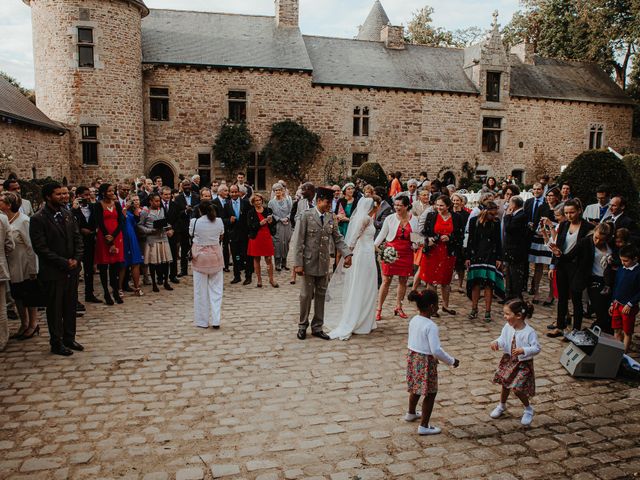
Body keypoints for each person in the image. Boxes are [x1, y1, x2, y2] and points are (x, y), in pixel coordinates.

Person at [29, 182, 83, 356]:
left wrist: (76, 258)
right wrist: (63, 262)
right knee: (55, 308)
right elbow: (41, 248)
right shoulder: (38, 218)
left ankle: (69, 337)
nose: (63, 196)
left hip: (72, 269)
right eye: (58, 194)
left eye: (64, 194)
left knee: (70, 306)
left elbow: (77, 239)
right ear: (48, 197)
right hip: (53, 271)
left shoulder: (67, 214)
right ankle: (56, 342)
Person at [293, 186, 352, 340]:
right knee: (305, 295)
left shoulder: (330, 217)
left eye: (330, 202)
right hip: (308, 262)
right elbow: (298, 241)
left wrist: (347, 253)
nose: (329, 205)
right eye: (327, 202)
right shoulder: (306, 216)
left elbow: (337, 237)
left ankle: (317, 326)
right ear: (319, 201)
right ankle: (302, 325)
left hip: (323, 263)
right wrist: (298, 264)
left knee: (321, 295)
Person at [324, 197, 380, 340]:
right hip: (363, 255)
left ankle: (367, 319)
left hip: (369, 252)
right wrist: (349, 254)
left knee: (369, 286)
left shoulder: (369, 218)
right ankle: (357, 319)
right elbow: (354, 237)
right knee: (361, 285)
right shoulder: (365, 219)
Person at [405, 289, 459, 435]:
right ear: (431, 307)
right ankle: (424, 425)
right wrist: (451, 361)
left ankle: (411, 412)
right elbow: (436, 350)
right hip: (426, 361)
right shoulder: (431, 326)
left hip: (413, 358)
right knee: (430, 393)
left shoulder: (414, 320)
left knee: (416, 387)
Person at [547, 199, 594, 338]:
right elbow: (558, 246)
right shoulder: (563, 225)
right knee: (562, 298)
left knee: (576, 299)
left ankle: (576, 329)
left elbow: (587, 251)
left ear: (579, 210)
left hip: (577, 266)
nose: (569, 215)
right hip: (562, 264)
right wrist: (553, 264)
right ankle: (560, 326)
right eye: (566, 213)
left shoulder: (587, 227)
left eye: (572, 212)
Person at [489, 299, 540, 426]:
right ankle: (502, 405)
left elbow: (536, 348)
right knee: (505, 383)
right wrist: (497, 343)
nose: (504, 317)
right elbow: (502, 339)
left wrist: (524, 350)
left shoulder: (529, 332)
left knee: (517, 389)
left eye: (507, 314)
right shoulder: (507, 327)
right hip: (509, 360)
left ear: (518, 316)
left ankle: (528, 409)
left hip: (523, 364)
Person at [0, 192, 41, 341]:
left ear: (9, 205)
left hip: (24, 263)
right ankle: (23, 323)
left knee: (29, 295)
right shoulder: (4, 220)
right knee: (17, 295)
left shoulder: (24, 221)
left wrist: (32, 269)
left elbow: (30, 246)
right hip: (12, 264)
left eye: (2, 201)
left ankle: (33, 323)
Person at [374, 195, 418, 320]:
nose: (397, 207)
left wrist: (417, 243)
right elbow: (382, 234)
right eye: (396, 205)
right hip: (390, 252)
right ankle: (379, 308)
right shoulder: (390, 218)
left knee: (403, 280)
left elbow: (416, 237)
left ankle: (399, 306)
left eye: (400, 205)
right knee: (386, 280)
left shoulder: (414, 220)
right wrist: (374, 246)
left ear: (406, 206)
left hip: (406, 253)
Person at [418, 196, 463, 316]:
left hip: (447, 252)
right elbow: (425, 232)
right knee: (431, 281)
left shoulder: (456, 217)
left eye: (442, 205)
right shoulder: (431, 216)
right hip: (433, 251)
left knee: (445, 280)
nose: (439, 207)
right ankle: (432, 307)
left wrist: (450, 238)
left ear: (448, 206)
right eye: (437, 205)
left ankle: (445, 305)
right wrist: (430, 239)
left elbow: (460, 235)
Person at [466, 201, 504, 322]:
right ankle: (474, 308)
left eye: (495, 214)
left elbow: (498, 241)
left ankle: (488, 311)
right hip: (476, 255)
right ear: (485, 212)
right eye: (492, 214)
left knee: (489, 284)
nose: (494, 216)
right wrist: (467, 257)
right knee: (475, 283)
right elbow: (470, 240)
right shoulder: (474, 222)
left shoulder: (496, 223)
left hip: (490, 255)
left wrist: (499, 257)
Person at [190, 201, 225, 329]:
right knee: (216, 290)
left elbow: (191, 234)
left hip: (200, 257)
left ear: (200, 210)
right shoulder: (219, 221)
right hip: (215, 256)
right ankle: (216, 319)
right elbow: (221, 234)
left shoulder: (194, 222)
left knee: (200, 291)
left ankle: (202, 321)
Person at [575, 223, 613, 333]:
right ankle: (588, 333)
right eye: (596, 238)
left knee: (607, 313)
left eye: (601, 240)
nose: (597, 241)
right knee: (600, 311)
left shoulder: (611, 246)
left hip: (608, 281)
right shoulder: (587, 243)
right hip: (594, 279)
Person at [94, 183, 125, 305]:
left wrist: (114, 235)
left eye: (113, 191)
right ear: (103, 193)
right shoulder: (98, 205)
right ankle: (106, 292)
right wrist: (108, 236)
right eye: (109, 191)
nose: (112, 193)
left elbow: (121, 221)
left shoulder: (116, 204)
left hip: (116, 236)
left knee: (115, 266)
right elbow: (99, 221)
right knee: (103, 266)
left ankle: (116, 291)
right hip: (104, 236)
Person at [138, 193, 174, 292]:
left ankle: (166, 281)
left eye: (159, 201)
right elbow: (140, 225)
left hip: (163, 238)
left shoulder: (162, 210)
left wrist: (169, 229)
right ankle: (154, 283)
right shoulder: (145, 212)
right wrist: (149, 231)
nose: (158, 203)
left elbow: (166, 222)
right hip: (152, 239)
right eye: (156, 201)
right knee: (153, 262)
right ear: (150, 201)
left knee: (166, 262)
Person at [525, 184, 553, 303]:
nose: (550, 198)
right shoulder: (538, 205)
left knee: (552, 267)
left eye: (552, 196)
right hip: (537, 236)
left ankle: (551, 295)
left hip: (551, 239)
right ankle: (536, 292)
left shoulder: (555, 208)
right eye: (549, 196)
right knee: (538, 266)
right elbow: (535, 219)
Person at [72, 186, 101, 303]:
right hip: (77, 242)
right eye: (85, 195)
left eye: (89, 195)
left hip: (90, 241)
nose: (88, 197)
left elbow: (98, 221)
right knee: (76, 271)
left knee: (89, 269)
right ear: (79, 196)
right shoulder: (73, 209)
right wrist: (80, 229)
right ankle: (74, 298)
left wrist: (95, 231)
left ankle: (89, 293)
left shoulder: (93, 207)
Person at [609, 245, 640, 353]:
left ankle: (624, 354)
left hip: (628, 307)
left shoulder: (638, 272)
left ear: (635, 259)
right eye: (621, 260)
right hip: (617, 304)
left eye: (625, 261)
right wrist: (613, 303)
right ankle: (615, 352)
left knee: (627, 331)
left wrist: (631, 303)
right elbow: (616, 286)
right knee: (616, 329)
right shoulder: (621, 269)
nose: (622, 263)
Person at [247, 193, 278, 288]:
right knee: (256, 259)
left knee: (268, 258)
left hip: (266, 236)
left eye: (260, 200)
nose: (259, 202)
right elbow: (249, 226)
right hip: (256, 237)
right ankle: (259, 279)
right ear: (253, 202)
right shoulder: (250, 212)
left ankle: (271, 279)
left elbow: (274, 223)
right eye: (256, 200)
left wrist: (271, 221)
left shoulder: (268, 210)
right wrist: (259, 224)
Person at [225, 185, 253, 285]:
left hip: (245, 235)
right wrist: (229, 220)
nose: (234, 194)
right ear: (229, 193)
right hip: (233, 235)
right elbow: (223, 219)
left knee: (246, 256)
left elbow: (251, 216)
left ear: (239, 192)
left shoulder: (245, 203)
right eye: (232, 192)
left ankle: (248, 276)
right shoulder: (227, 205)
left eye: (235, 192)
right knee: (236, 257)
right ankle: (237, 276)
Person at [503, 196, 529, 300]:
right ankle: (509, 294)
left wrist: (507, 216)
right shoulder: (517, 215)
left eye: (510, 203)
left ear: (514, 205)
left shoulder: (520, 216)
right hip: (511, 249)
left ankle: (517, 296)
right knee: (509, 273)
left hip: (516, 250)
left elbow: (509, 229)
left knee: (515, 274)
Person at [172, 179, 200, 277]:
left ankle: (197, 269)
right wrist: (185, 211)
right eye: (185, 185)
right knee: (184, 249)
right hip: (183, 227)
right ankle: (183, 270)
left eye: (188, 185)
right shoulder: (178, 198)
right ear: (181, 187)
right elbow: (176, 213)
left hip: (196, 227)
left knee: (196, 248)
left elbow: (200, 211)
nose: (187, 187)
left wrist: (193, 210)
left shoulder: (197, 197)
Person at [119, 195, 144, 297]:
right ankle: (119, 288)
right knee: (123, 265)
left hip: (133, 238)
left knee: (135, 263)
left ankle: (137, 287)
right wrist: (126, 208)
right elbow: (121, 218)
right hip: (123, 238)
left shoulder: (133, 212)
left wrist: (136, 211)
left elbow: (136, 222)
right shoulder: (122, 209)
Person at [268, 183, 293, 272]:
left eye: (279, 190)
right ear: (274, 192)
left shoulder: (287, 201)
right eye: (276, 190)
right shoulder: (271, 203)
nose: (278, 191)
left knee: (285, 243)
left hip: (287, 224)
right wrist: (279, 219)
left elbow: (291, 211)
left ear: (282, 191)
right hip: (277, 225)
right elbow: (270, 214)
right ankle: (277, 263)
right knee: (277, 244)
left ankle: (284, 262)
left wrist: (287, 218)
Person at [0, 203, 14, 351]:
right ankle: (2, 339)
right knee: (1, 307)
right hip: (1, 266)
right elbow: (10, 245)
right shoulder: (2, 219)